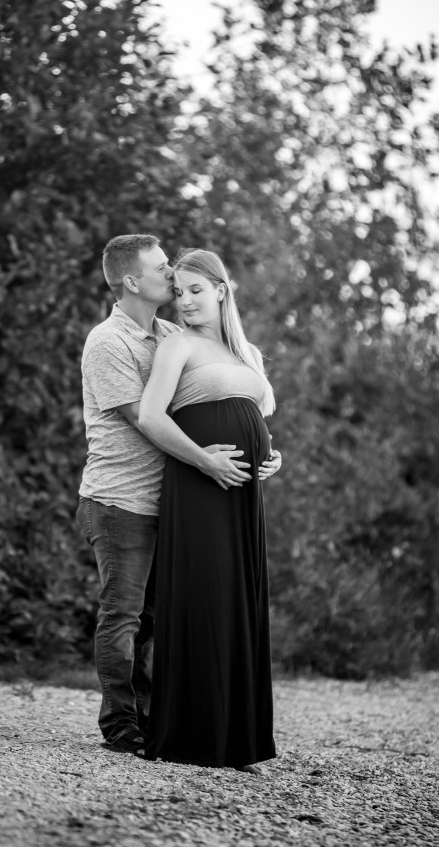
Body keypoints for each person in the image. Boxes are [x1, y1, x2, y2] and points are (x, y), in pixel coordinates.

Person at [77, 235, 279, 758]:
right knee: (124, 615)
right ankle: (121, 724)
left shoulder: (171, 331)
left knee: (157, 618)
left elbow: (215, 393)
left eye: (185, 279)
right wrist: (207, 459)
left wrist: (259, 448)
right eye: (163, 268)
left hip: (173, 496)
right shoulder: (108, 342)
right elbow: (145, 418)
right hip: (122, 497)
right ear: (131, 281)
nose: (173, 277)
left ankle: (157, 717)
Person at [138, 248, 278, 774]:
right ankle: (192, 735)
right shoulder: (178, 344)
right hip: (198, 484)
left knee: (238, 600)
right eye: (179, 292)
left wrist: (272, 456)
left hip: (242, 496)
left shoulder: (250, 354)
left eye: (196, 290)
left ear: (221, 290)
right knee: (204, 594)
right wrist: (205, 461)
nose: (185, 301)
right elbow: (151, 417)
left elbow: (255, 419)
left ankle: (236, 738)